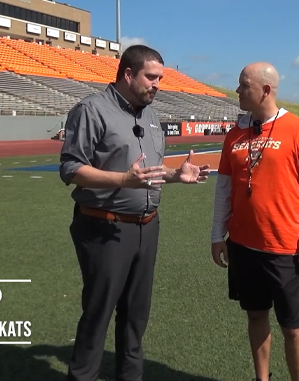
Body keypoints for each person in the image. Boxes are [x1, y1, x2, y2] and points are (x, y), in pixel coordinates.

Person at [59, 44, 210, 381]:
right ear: (128, 74)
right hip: (104, 227)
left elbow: (147, 174)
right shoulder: (91, 110)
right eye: (151, 77)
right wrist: (122, 180)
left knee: (135, 316)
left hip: (147, 227)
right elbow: (70, 169)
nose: (158, 85)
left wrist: (174, 175)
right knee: (98, 314)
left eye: (160, 78)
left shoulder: (151, 114)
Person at [210, 62, 299, 381]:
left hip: (284, 247)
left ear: (265, 90)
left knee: (292, 326)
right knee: (255, 315)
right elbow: (223, 187)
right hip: (242, 245)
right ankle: (262, 378)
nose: (237, 90)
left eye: (243, 85)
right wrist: (217, 234)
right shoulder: (235, 134)